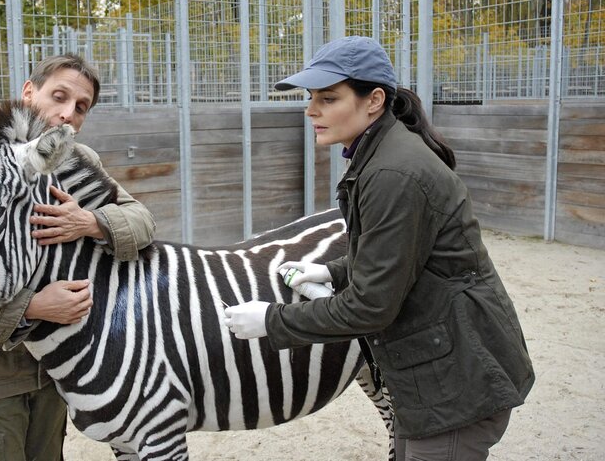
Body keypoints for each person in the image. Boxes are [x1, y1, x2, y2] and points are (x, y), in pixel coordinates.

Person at [223, 36, 534, 461]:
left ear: (374, 101)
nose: (311, 110)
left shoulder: (393, 172)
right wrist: (334, 272)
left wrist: (271, 320)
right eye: (312, 98)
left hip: (457, 380)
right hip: (436, 373)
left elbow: (371, 308)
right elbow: (403, 255)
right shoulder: (382, 156)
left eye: (329, 98)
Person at [0, 53, 156, 461]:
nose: (67, 115)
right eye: (58, 97)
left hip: (57, 366)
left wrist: (90, 222)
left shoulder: (78, 161)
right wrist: (34, 306)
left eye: (81, 108)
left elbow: (142, 220)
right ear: (28, 92)